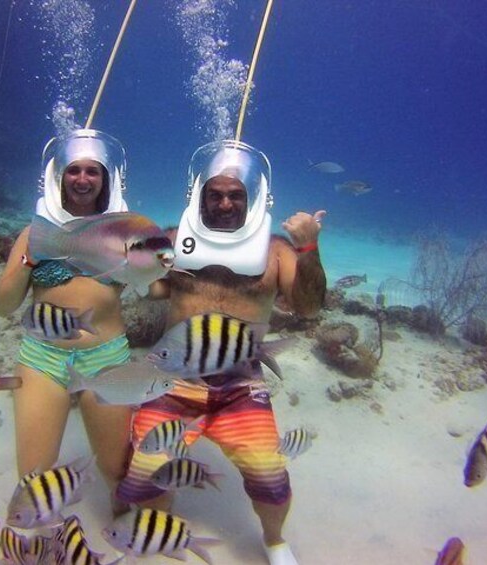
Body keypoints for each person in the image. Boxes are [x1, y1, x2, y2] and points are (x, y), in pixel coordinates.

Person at [115, 140, 327, 565]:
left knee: (269, 475)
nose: (226, 202)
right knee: (146, 470)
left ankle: (274, 541)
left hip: (241, 382)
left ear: (251, 199)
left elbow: (309, 307)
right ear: (199, 195)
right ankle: (161, 539)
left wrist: (309, 247)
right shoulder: (174, 239)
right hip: (174, 377)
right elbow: (150, 289)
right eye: (216, 194)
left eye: (235, 195)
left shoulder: (278, 249)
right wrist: (132, 260)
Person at [0, 129, 133, 514]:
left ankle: (128, 541)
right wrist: (30, 260)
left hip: (105, 357)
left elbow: (157, 289)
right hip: (43, 359)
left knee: (117, 471)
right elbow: (4, 305)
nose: (83, 179)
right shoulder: (32, 233)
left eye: (93, 171)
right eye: (74, 170)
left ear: (107, 179)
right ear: (59, 176)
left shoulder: (125, 233)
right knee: (33, 478)